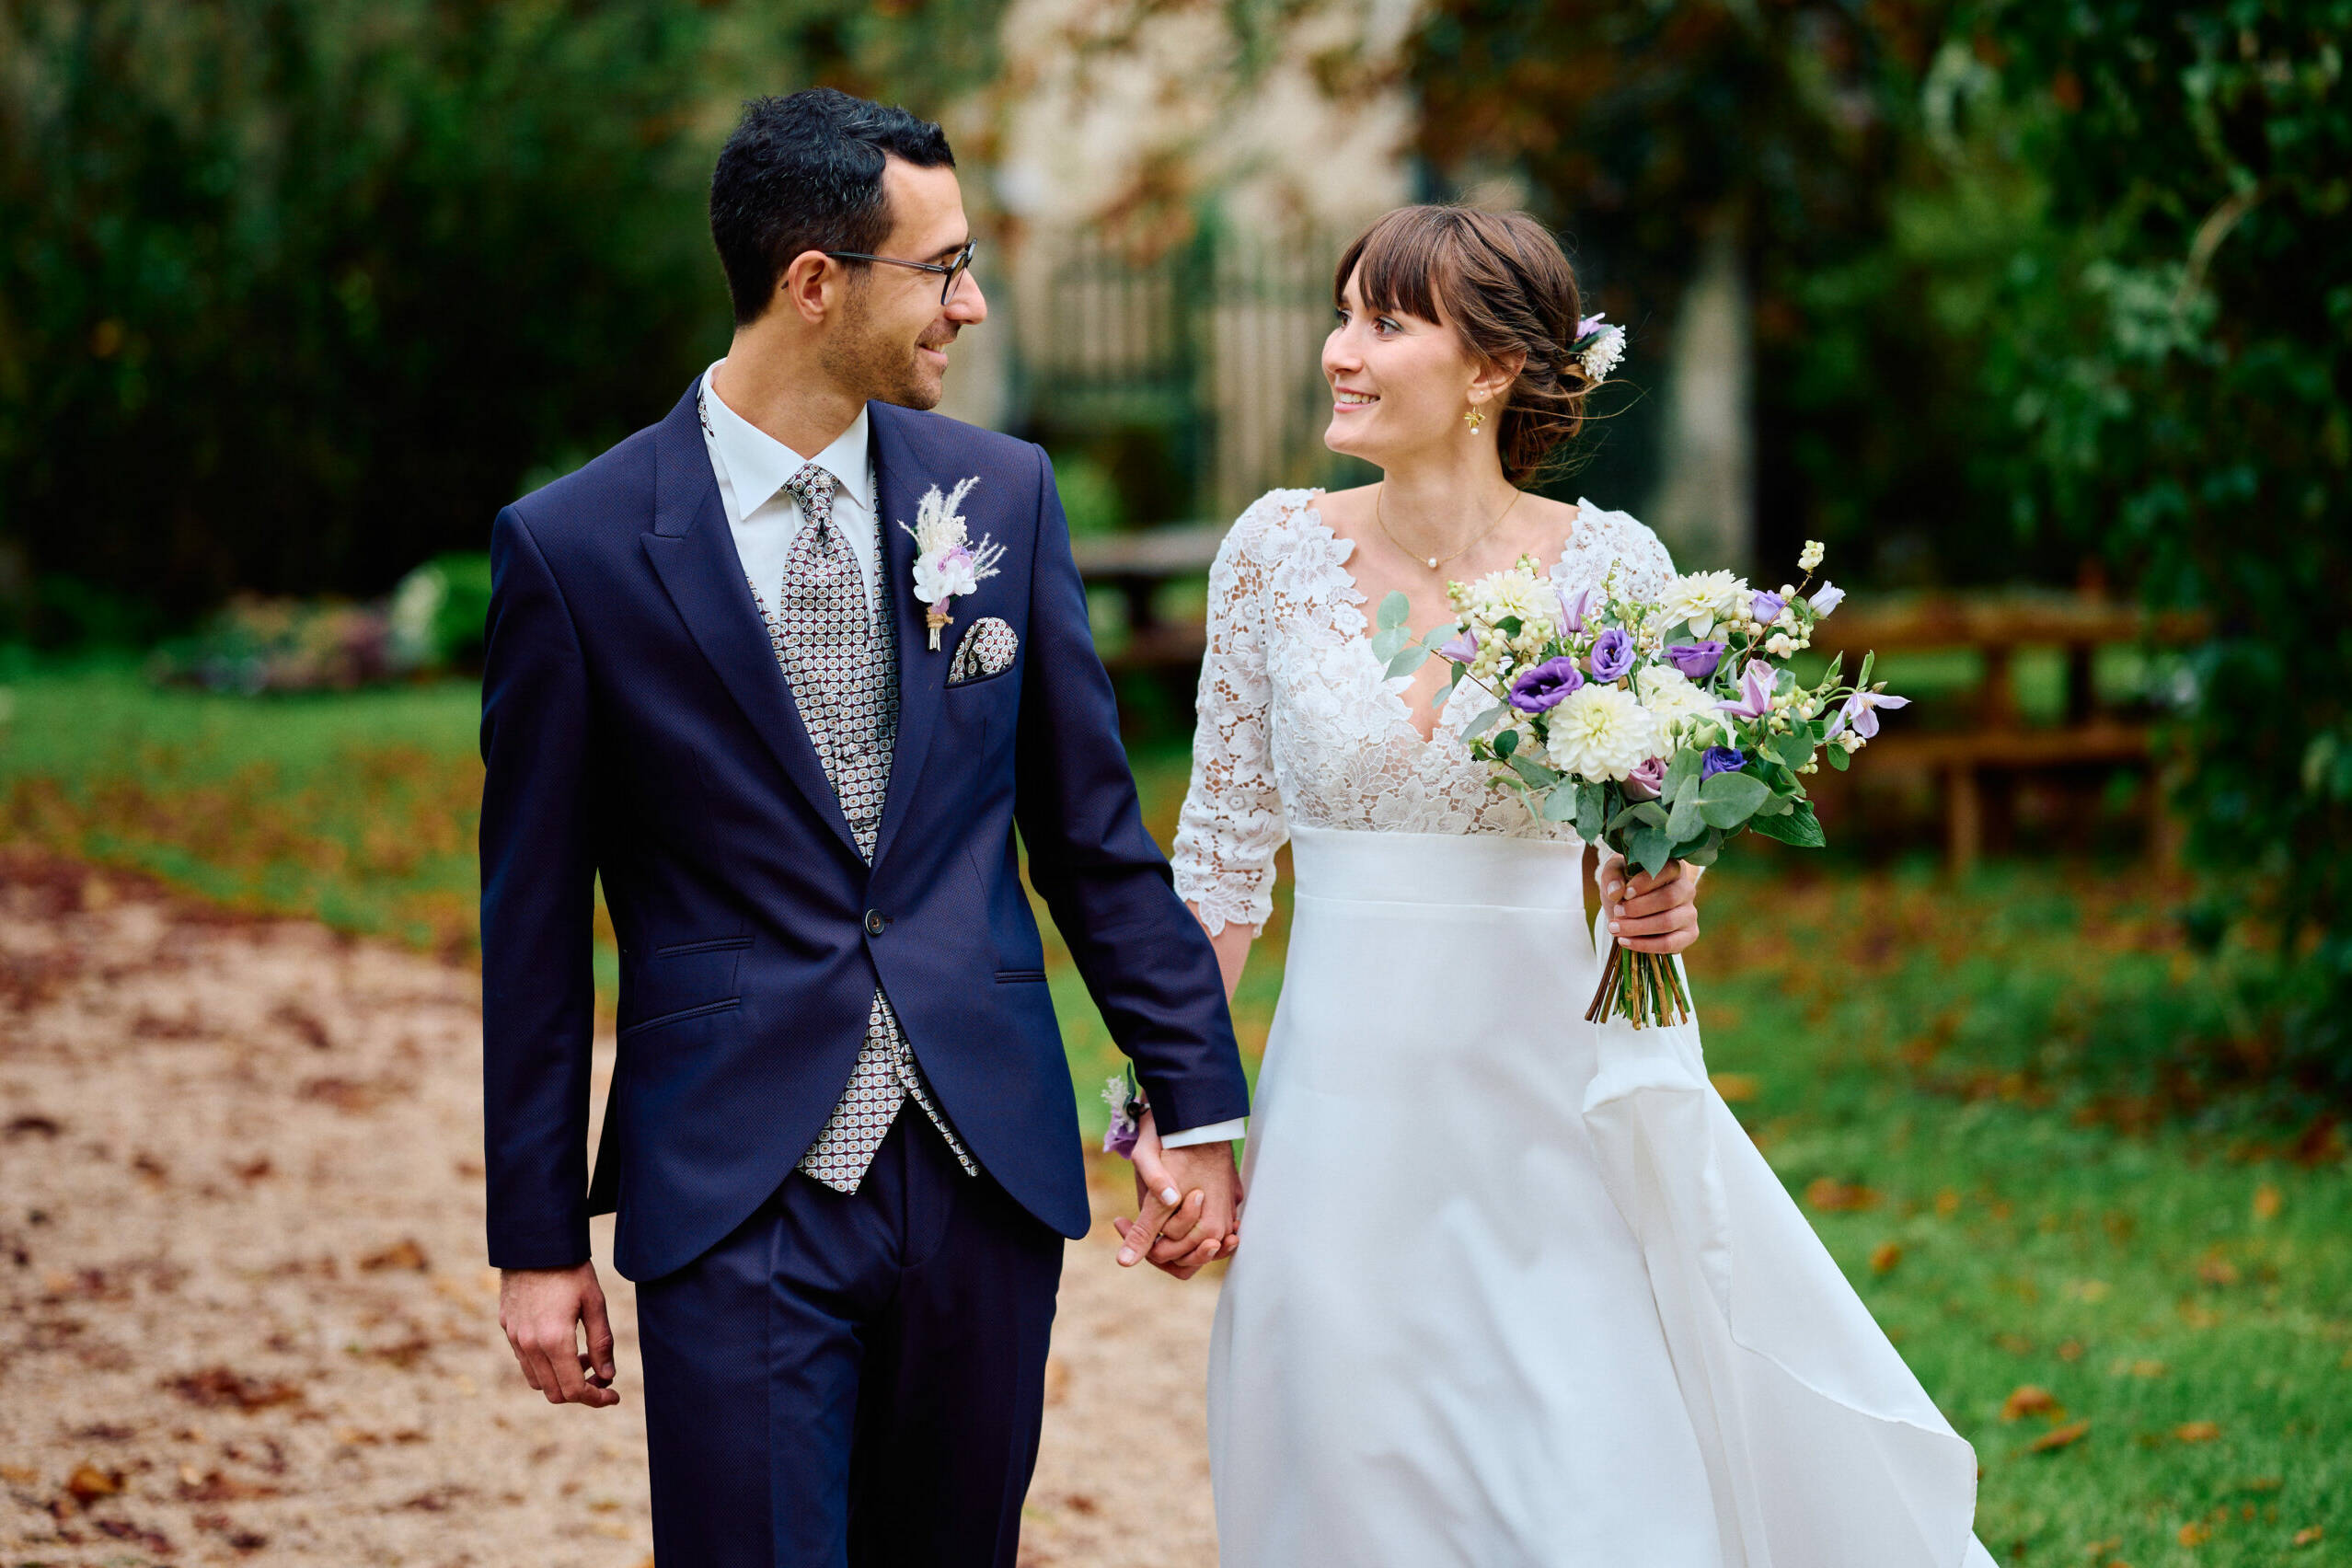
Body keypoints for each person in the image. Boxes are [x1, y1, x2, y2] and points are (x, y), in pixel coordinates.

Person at [1150, 203, 1999, 1566]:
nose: (1338, 353)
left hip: (1554, 1113)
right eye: (1342, 315)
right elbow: (1223, 858)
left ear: (1488, 371)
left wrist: (1664, 893)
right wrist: (1174, 1105)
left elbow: (1639, 851)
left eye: (1384, 321)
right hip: (1340, 1129)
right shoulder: (1269, 556)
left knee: (1588, 1484)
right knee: (1347, 1479)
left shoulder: (1614, 567)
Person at [477, 87, 1250, 1568]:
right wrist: (536, 1238)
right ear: (815, 282)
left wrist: (1194, 1104)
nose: (967, 303)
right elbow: (531, 928)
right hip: (736, 1182)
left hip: (982, 1167)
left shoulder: (1001, 496)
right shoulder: (573, 549)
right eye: (941, 266)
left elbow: (1090, 836)